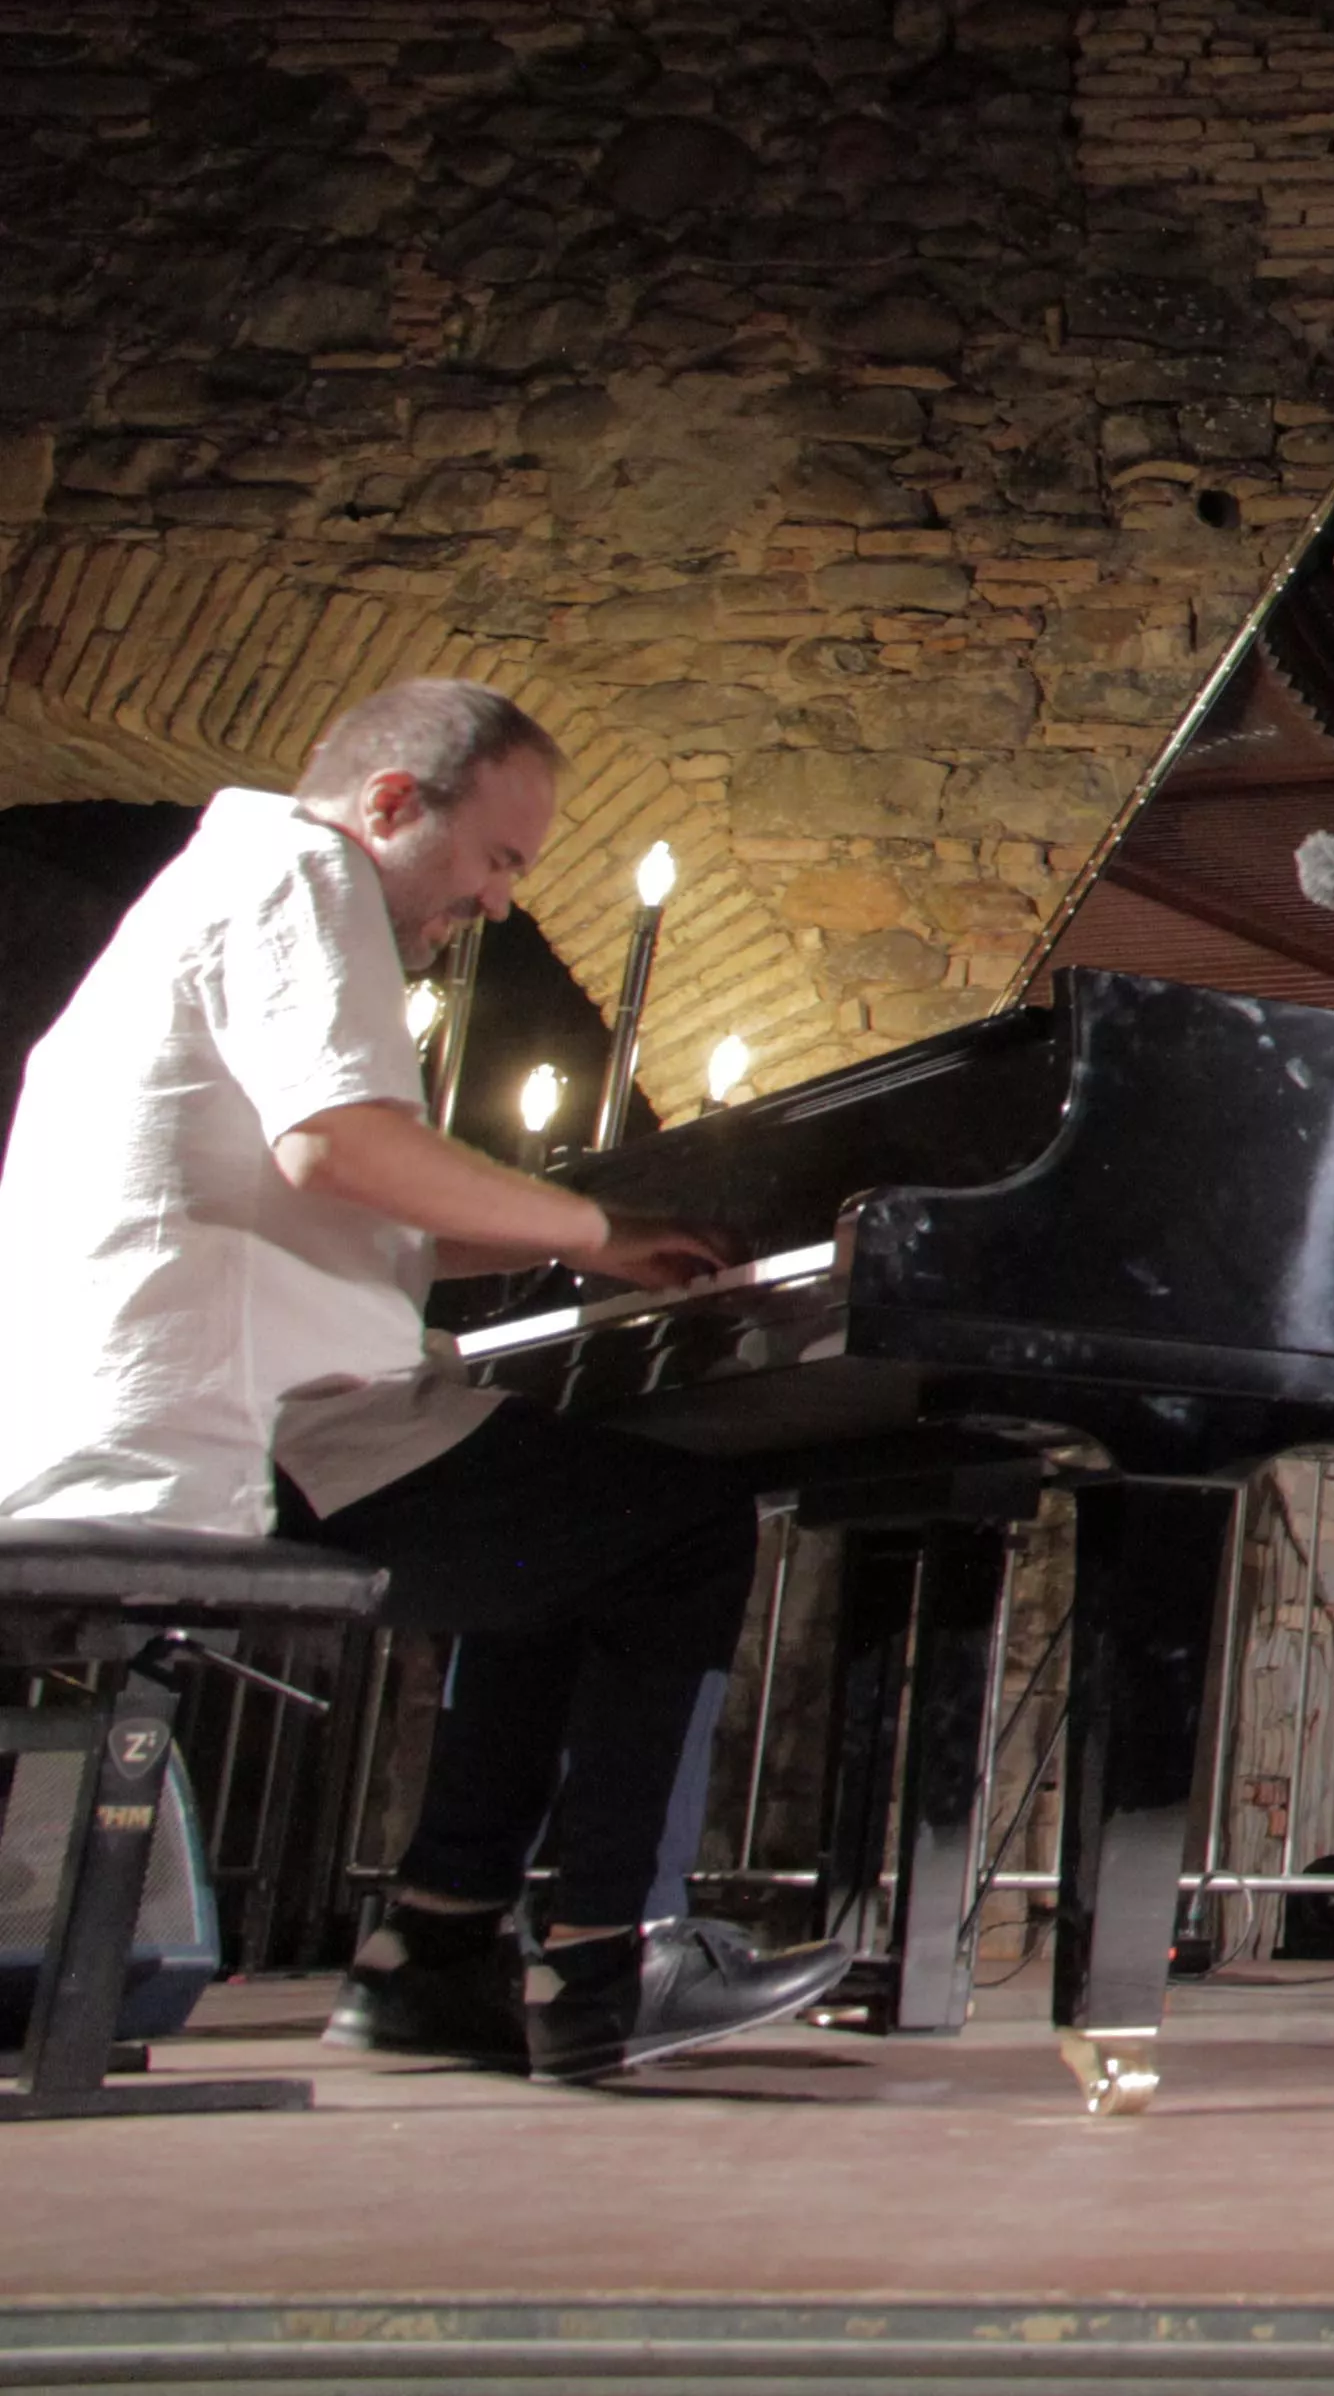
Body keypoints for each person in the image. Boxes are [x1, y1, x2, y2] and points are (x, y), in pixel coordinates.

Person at [0, 679, 852, 2076]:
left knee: (554, 1535)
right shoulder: (302, 869)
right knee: (682, 1526)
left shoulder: (209, 892)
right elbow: (337, 1147)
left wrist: (590, 1250)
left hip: (161, 1413)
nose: (502, 903)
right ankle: (615, 1962)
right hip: (218, 1443)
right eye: (500, 860)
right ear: (394, 804)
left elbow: (330, 1209)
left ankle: (432, 1955)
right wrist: (593, 1225)